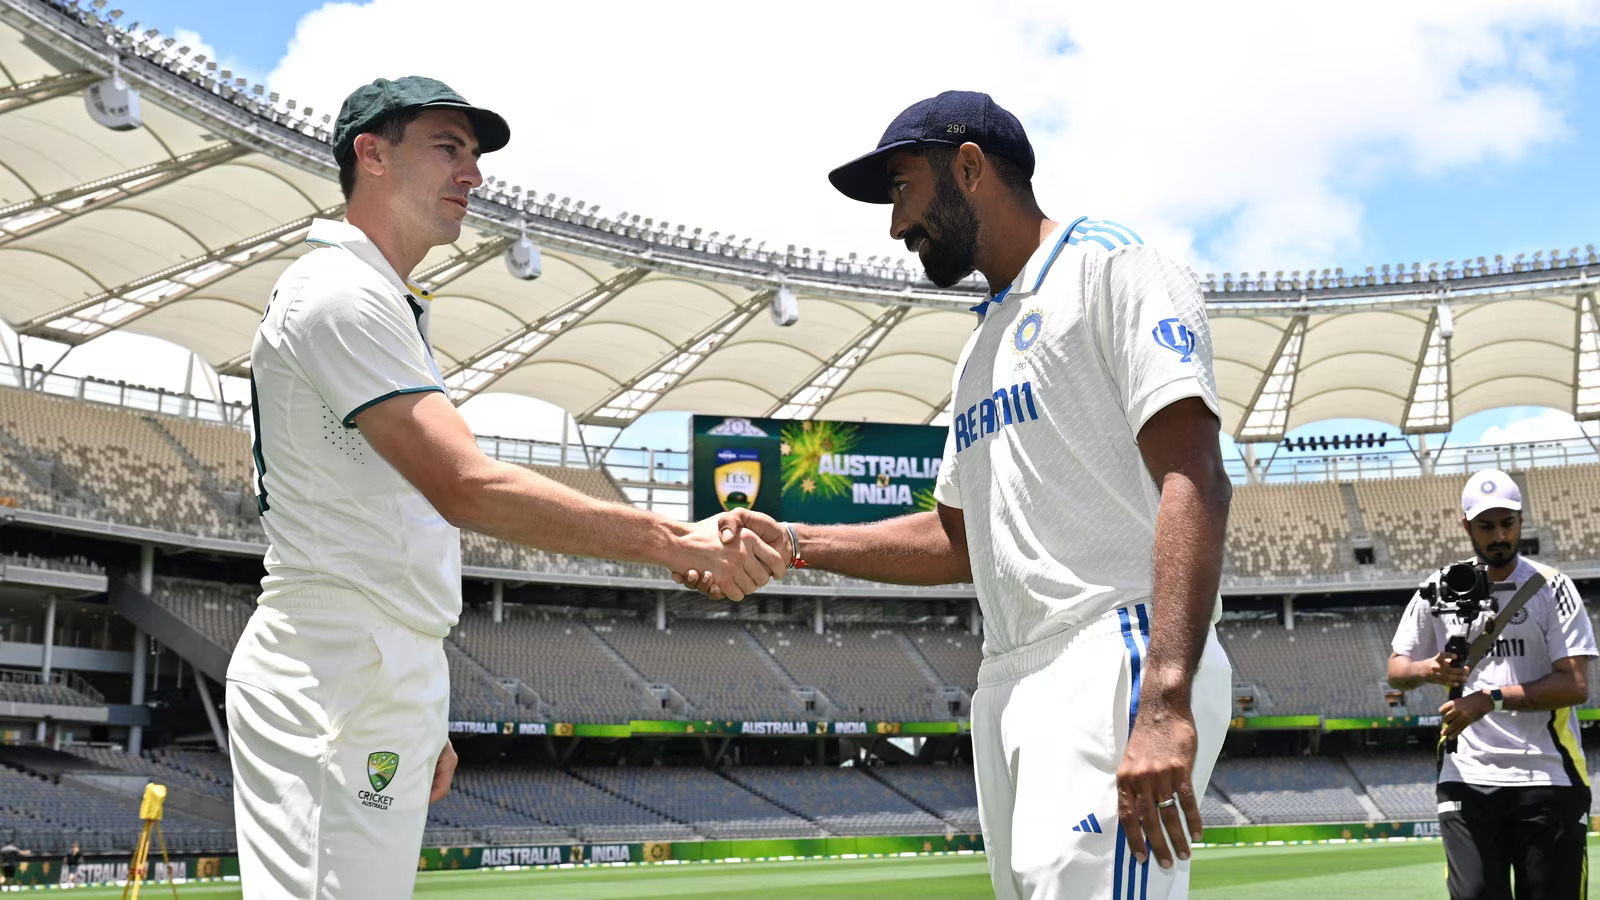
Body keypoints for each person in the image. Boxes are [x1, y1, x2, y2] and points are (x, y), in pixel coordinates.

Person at [227, 76, 785, 899]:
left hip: (372, 667)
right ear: (370, 155)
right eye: (447, 148)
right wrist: (673, 541)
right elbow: (464, 485)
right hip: (336, 669)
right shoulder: (341, 293)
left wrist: (419, 700)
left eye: (475, 156)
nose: (473, 175)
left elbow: (400, 522)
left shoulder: (378, 297)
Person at [680, 90, 1233, 899]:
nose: (896, 224)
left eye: (902, 188)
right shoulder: (983, 345)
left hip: (1112, 650)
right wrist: (795, 541)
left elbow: (1196, 476)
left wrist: (1164, 698)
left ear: (968, 167)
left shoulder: (1109, 264)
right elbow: (959, 540)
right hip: (1011, 678)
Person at [1387, 468, 1593, 900]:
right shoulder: (1437, 588)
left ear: (1521, 520)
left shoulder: (1552, 587)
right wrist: (1429, 669)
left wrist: (1491, 699)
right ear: (1466, 526)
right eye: (1486, 526)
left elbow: (1575, 685)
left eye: (1507, 523)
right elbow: (1397, 670)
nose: (1499, 535)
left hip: (1548, 775)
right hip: (1467, 776)